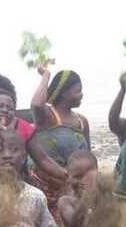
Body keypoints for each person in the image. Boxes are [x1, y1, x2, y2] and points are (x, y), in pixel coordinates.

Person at [28, 67, 91, 209]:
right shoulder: (47, 116)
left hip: (73, 188)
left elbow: (88, 157)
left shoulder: (82, 121)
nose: (81, 94)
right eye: (78, 90)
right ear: (64, 93)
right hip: (46, 188)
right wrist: (46, 75)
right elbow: (36, 104)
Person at [56, 149, 99, 227]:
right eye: (78, 176)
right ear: (69, 177)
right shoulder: (65, 202)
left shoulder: (104, 196)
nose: (83, 181)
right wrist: (86, 198)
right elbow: (76, 223)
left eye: (88, 176)